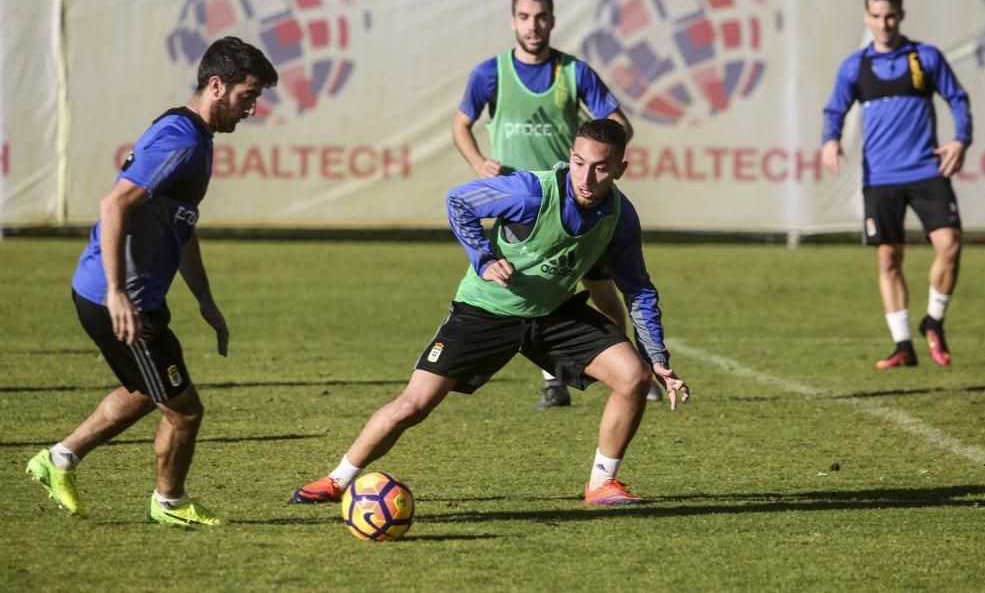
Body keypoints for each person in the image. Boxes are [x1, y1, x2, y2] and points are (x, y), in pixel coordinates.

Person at [292, 118, 689, 507]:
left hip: (551, 314)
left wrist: (657, 357)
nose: (586, 177)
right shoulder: (531, 192)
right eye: (580, 163)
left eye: (601, 168)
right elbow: (459, 200)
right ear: (571, 157)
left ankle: (602, 485)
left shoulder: (621, 216)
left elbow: (637, 287)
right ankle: (337, 479)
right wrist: (484, 258)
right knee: (413, 406)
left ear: (620, 169)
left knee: (634, 376)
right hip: (484, 311)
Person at [26, 36, 278, 527]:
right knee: (183, 410)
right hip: (119, 298)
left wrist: (205, 299)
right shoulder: (182, 140)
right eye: (247, 96)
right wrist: (119, 292)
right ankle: (170, 503)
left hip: (123, 293)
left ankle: (59, 459)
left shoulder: (191, 135)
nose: (251, 109)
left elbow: (180, 227)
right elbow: (114, 204)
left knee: (147, 390)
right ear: (216, 85)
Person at [452, 0, 661, 408]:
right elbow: (461, 125)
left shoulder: (574, 73)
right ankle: (554, 380)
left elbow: (618, 125)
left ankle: (632, 370)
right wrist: (478, 163)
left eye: (541, 17)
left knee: (605, 295)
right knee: (531, 286)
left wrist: (596, 154)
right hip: (522, 206)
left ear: (552, 20)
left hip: (577, 204)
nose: (533, 25)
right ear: (513, 21)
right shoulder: (490, 73)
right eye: (525, 17)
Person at [821, 0, 971, 369]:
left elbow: (957, 97)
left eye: (890, 16)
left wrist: (960, 140)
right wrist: (830, 141)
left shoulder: (925, 57)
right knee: (889, 260)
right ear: (866, 17)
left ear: (901, 15)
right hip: (881, 178)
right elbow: (834, 110)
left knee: (950, 245)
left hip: (926, 169)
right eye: (876, 16)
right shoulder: (856, 65)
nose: (883, 23)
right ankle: (903, 343)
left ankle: (933, 319)